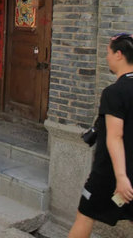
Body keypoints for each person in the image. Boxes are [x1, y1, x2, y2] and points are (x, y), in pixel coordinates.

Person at [68, 33, 133, 238]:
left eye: (108, 53)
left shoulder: (114, 92)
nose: (106, 57)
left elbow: (115, 136)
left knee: (85, 214)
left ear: (119, 55)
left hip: (110, 173)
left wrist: (121, 178)